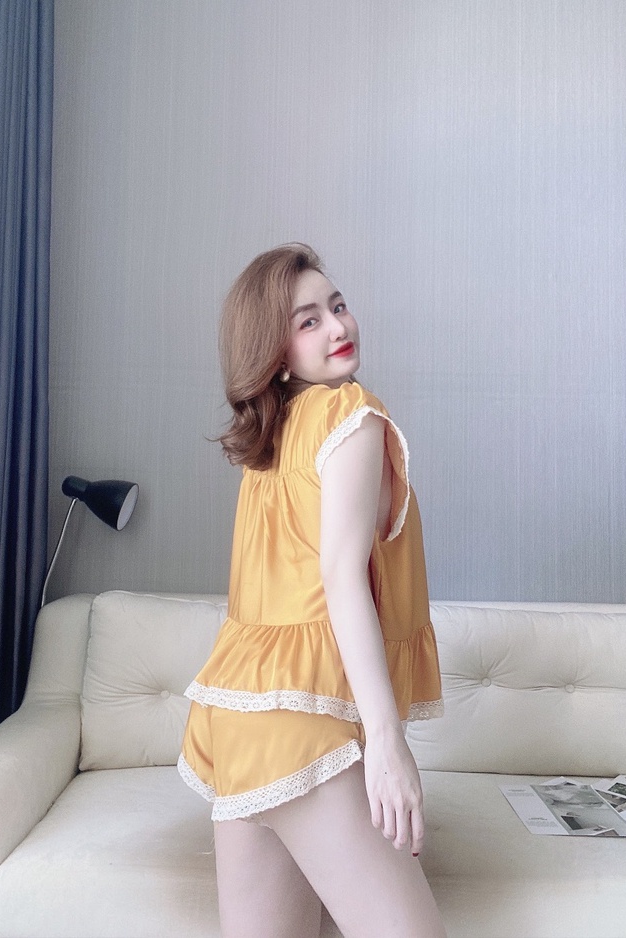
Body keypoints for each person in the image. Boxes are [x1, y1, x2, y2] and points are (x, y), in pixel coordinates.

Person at [178, 244, 447, 938]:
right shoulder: (350, 415)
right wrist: (386, 743)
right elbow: (340, 579)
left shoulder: (269, 444)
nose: (337, 326)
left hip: (239, 719)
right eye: (308, 321)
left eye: (337, 305)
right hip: (300, 725)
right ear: (274, 351)